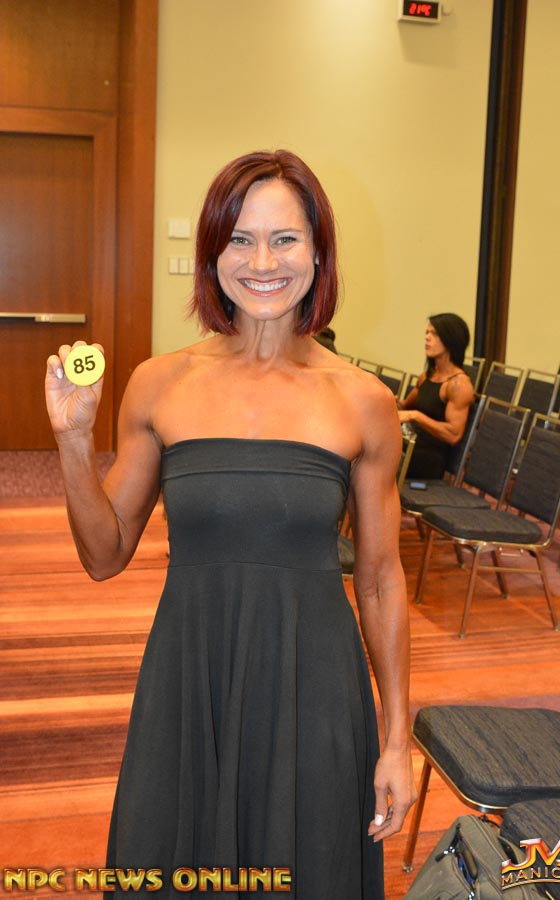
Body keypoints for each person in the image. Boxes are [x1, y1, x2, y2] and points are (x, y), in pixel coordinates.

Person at [45, 149, 415, 899]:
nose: (263, 262)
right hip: (191, 678)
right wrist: (74, 441)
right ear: (212, 254)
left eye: (285, 239)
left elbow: (380, 580)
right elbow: (104, 554)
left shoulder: (362, 401)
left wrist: (397, 739)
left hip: (312, 683)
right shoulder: (160, 383)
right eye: (240, 240)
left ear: (319, 251)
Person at [398, 313, 474, 480]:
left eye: (434, 334)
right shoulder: (427, 376)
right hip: (410, 445)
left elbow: (453, 435)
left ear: (451, 340)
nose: (427, 338)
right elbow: (404, 406)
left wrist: (416, 416)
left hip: (428, 458)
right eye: (427, 332)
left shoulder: (459, 385)